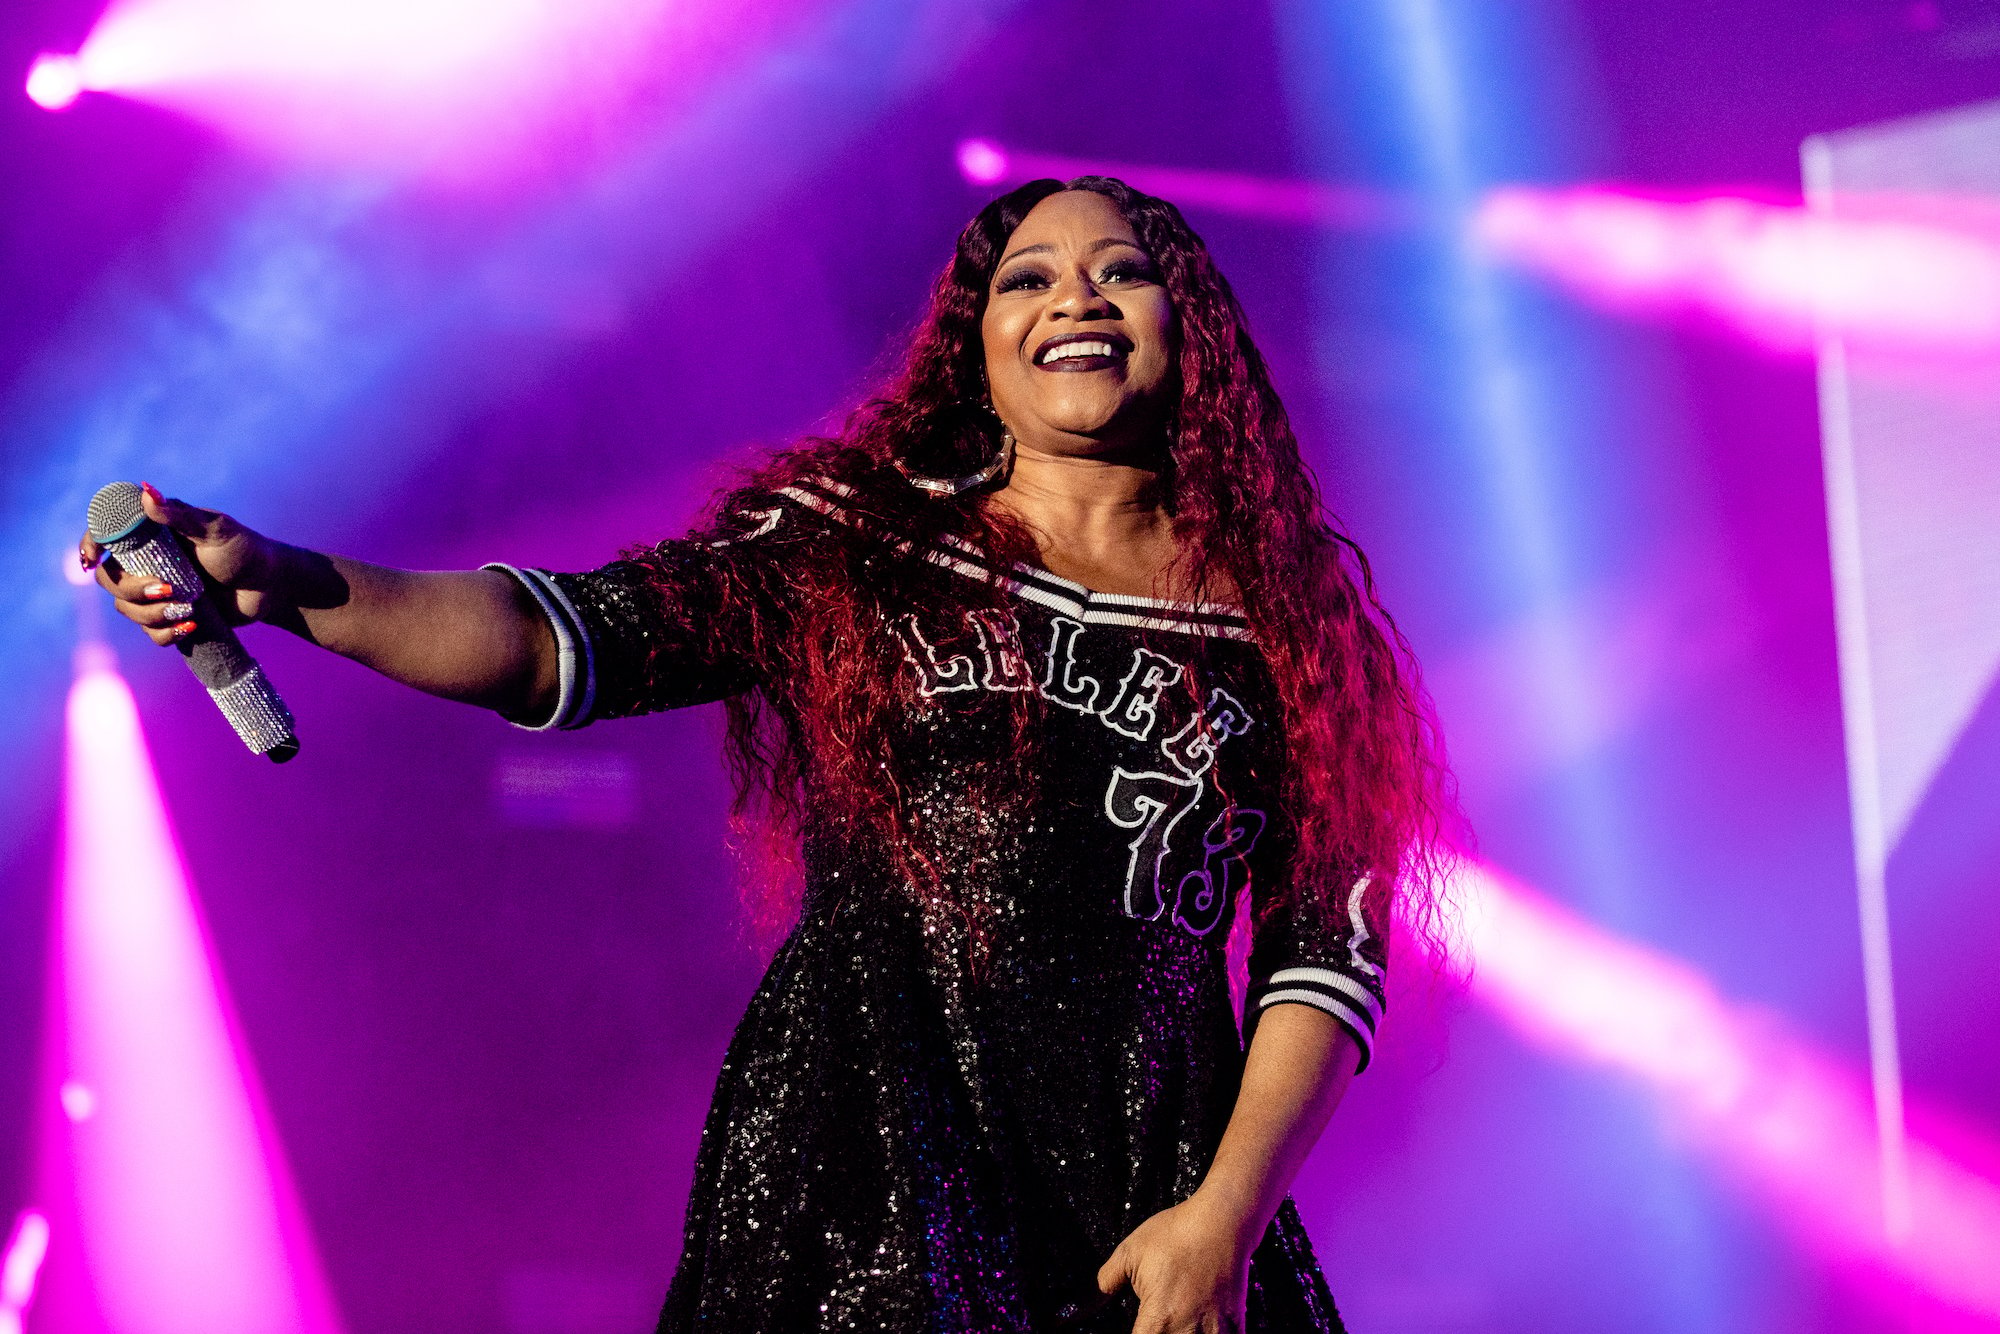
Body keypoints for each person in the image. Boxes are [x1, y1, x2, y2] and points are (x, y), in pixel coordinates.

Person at [83, 176, 1451, 1334]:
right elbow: (558, 636)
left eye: (1123, 273)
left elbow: (1328, 955)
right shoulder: (860, 544)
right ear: (975, 344)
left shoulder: (1292, 632)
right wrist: (283, 581)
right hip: (866, 1167)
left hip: (1152, 1194)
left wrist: (1222, 1215)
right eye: (1028, 279)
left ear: (1188, 322)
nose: (1076, 299)